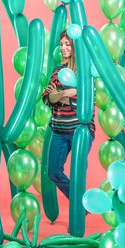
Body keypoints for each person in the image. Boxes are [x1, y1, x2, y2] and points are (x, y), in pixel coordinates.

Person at [42, 29, 95, 200]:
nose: (63, 48)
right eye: (61, 44)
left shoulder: (84, 72)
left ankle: (78, 210)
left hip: (80, 130)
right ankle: (81, 202)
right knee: (53, 172)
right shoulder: (57, 71)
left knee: (78, 172)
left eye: (67, 44)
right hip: (58, 130)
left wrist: (58, 95)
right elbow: (46, 98)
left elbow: (83, 103)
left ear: (74, 46)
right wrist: (65, 93)